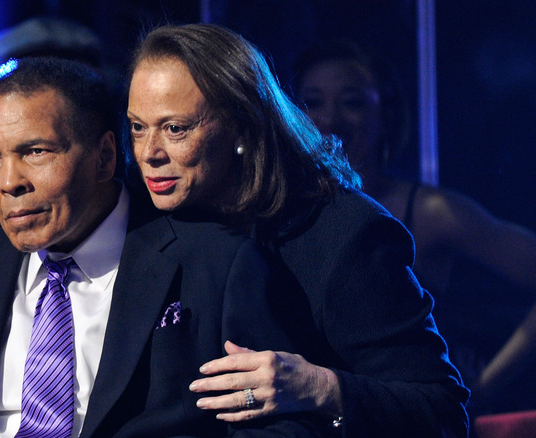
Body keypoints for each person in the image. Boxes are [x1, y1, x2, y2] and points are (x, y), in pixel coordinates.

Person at [0, 57, 328, 437]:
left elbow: (281, 426)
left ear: (104, 156)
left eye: (35, 152)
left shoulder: (216, 263)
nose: (8, 183)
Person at [125, 24, 469, 437]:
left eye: (176, 129)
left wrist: (322, 387)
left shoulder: (344, 234)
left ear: (240, 124)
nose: (148, 153)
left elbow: (442, 412)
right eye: (137, 127)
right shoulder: (146, 215)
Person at [292, 39, 536, 412]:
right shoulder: (278, 210)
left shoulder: (432, 212)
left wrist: (487, 384)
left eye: (352, 101)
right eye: (313, 102)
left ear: (386, 114)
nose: (330, 119)